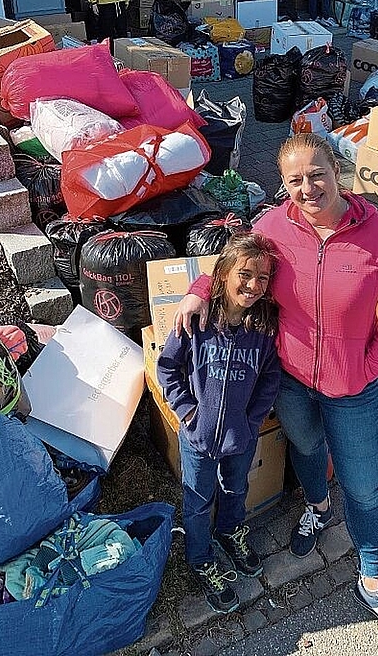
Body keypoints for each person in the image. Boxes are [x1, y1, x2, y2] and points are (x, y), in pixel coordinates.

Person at [175, 133, 378, 649]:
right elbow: (228, 262)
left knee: (363, 485)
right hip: (289, 381)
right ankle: (316, 505)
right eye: (294, 180)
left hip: (353, 386)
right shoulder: (275, 226)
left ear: (337, 172)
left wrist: (371, 364)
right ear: (283, 184)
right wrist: (198, 293)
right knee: (307, 450)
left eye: (316, 174)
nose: (307, 188)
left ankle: (374, 577)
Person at [157, 233, 281, 615]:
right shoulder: (197, 321)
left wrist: (251, 421)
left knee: (236, 488)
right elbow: (167, 368)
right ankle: (200, 557)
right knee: (196, 501)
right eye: (245, 274)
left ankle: (229, 531)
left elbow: (269, 379)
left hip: (240, 437)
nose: (253, 286)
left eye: (262, 279)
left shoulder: (263, 330)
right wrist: (187, 411)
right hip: (197, 437)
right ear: (223, 274)